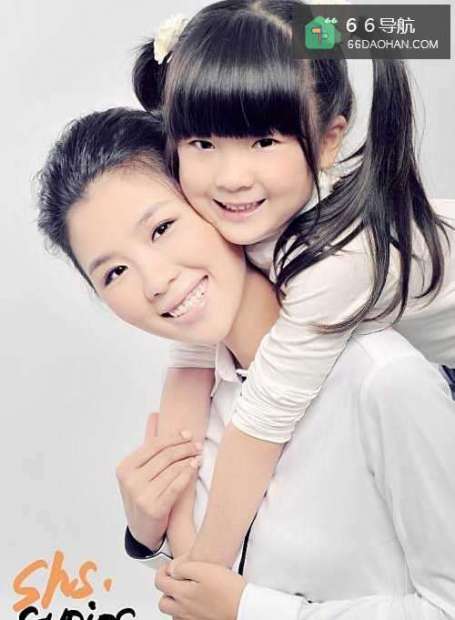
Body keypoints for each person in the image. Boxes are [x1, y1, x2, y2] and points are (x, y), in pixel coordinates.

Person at [36, 107, 455, 619]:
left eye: (162, 228)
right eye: (115, 272)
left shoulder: (383, 381)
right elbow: (215, 580)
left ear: (213, 202)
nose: (155, 282)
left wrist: (251, 610)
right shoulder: (204, 383)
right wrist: (149, 533)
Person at [131, 0, 455, 572]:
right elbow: (193, 359)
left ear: (329, 140)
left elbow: (262, 423)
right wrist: (176, 536)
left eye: (264, 142)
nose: (231, 178)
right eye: (203, 143)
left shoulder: (338, 261)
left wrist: (205, 570)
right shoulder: (224, 210)